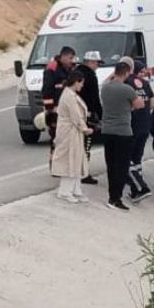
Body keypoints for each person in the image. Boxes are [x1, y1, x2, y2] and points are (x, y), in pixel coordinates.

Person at [100, 61, 145, 211]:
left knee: (111, 165)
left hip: (107, 130)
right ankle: (116, 198)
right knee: (122, 166)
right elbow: (140, 105)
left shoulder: (105, 88)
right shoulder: (127, 89)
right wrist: (129, 106)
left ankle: (111, 196)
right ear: (126, 73)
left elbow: (106, 81)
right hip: (123, 132)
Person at [50, 71, 93, 203]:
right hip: (69, 132)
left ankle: (75, 189)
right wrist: (85, 129)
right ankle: (64, 191)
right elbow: (75, 116)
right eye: (81, 83)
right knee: (69, 161)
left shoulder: (71, 94)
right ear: (76, 82)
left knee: (76, 159)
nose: (82, 86)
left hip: (73, 132)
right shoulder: (68, 96)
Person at [126, 60, 154, 202]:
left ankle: (139, 187)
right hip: (145, 125)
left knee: (127, 158)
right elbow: (153, 104)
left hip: (132, 125)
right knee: (137, 158)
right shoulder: (146, 83)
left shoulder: (127, 82)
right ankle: (137, 183)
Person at [75, 51, 105, 185]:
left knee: (77, 145)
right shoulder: (91, 76)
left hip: (75, 115)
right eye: (97, 63)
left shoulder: (76, 72)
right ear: (91, 62)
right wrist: (100, 115)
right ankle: (84, 173)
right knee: (86, 146)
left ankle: (76, 170)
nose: (97, 66)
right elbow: (94, 98)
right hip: (87, 115)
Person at [41, 46, 76, 143]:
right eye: (70, 58)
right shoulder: (52, 68)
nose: (71, 61)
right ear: (63, 56)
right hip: (55, 110)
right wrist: (50, 108)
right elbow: (47, 90)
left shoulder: (69, 69)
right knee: (57, 138)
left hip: (66, 109)